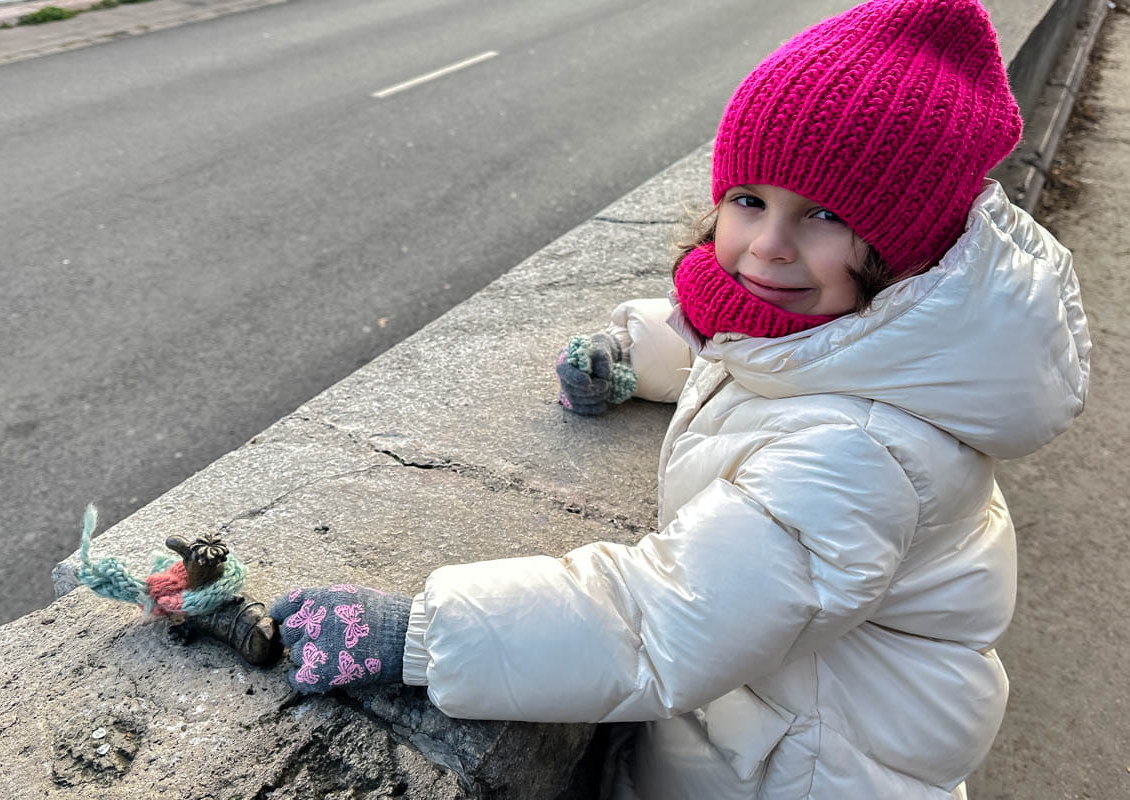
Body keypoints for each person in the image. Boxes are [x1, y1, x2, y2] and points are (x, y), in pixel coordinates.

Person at [267, 0, 1092, 796]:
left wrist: (415, 635)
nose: (767, 246)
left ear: (907, 248)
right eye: (749, 200)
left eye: (825, 215)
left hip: (806, 775)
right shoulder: (853, 334)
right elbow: (746, 357)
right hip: (784, 739)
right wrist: (632, 359)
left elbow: (664, 618)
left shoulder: (859, 456)